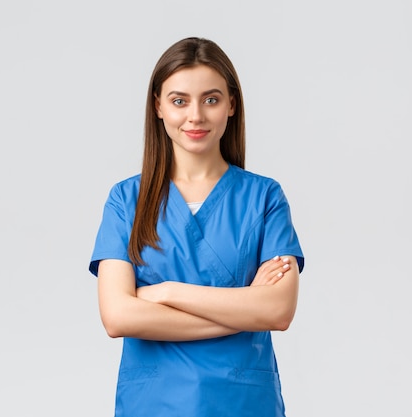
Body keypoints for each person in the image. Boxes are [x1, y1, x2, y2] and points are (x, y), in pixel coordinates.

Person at [89, 37, 304, 417]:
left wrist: (164, 292)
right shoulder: (126, 201)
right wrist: (241, 308)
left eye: (211, 99)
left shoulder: (264, 197)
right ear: (158, 106)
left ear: (231, 105)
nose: (195, 116)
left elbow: (277, 310)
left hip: (243, 403)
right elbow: (119, 316)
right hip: (154, 404)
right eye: (179, 101)